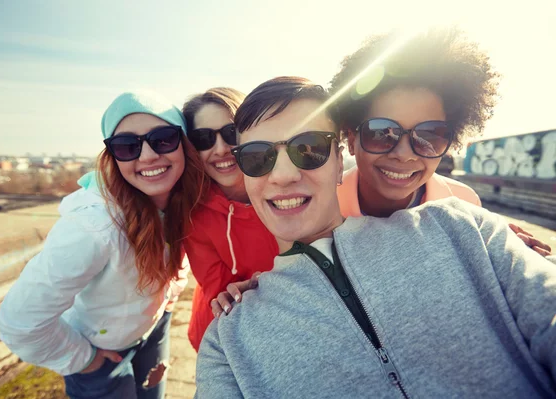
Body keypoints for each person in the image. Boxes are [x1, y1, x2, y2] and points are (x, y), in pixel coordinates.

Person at [195, 77, 556, 398]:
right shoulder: (228, 342)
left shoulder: (463, 229)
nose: (284, 175)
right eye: (258, 157)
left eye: (309, 149)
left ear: (339, 159)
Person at [212, 28, 551, 315]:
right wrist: (256, 290)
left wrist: (487, 242)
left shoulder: (462, 205)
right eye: (381, 133)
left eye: (429, 136)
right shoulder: (319, 205)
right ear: (351, 137)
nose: (404, 154)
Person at [0, 92, 208, 399]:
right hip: (102, 353)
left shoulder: (182, 201)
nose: (147, 156)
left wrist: (169, 300)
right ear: (113, 155)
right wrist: (86, 359)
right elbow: (19, 321)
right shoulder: (94, 226)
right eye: (127, 146)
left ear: (184, 145)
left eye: (163, 139)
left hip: (153, 330)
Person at [181, 88, 278, 350]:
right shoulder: (192, 211)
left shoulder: (284, 190)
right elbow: (219, 293)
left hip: (287, 324)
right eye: (203, 139)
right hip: (222, 335)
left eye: (231, 133)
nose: (221, 149)